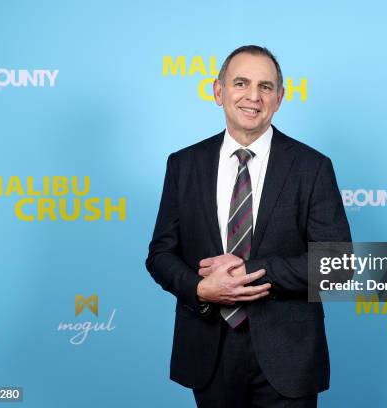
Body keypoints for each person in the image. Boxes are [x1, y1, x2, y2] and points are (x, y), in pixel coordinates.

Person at [146, 45, 351, 408]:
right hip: (209, 349)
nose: (253, 96)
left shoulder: (312, 167)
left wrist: (250, 271)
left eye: (266, 87)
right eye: (241, 83)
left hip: (289, 356)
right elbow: (161, 254)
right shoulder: (184, 164)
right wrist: (199, 289)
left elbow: (337, 265)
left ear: (280, 98)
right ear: (218, 91)